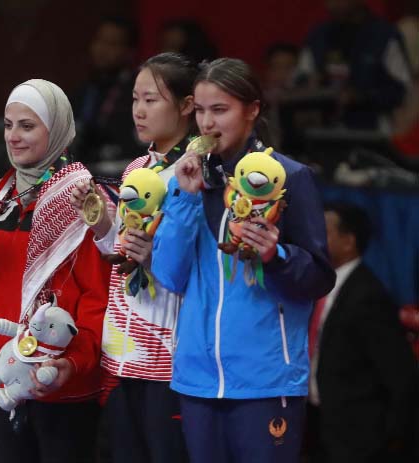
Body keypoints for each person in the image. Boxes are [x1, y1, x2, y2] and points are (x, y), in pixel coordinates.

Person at [151, 57, 336, 463]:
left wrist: (275, 254)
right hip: (198, 379)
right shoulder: (189, 180)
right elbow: (169, 275)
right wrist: (184, 198)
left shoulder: (288, 178)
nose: (206, 123)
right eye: (199, 110)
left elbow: (320, 277)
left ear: (252, 110)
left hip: (265, 380)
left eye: (220, 110)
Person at [0, 79, 111, 463]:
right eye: (8, 125)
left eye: (27, 126)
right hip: (2, 378)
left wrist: (71, 365)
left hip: (61, 384)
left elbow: (97, 297)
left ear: (55, 129)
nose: (14, 137)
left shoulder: (83, 199)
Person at [69, 52, 195, 463]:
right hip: (122, 352)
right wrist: (101, 222)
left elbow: (200, 265)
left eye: (151, 100)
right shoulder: (137, 168)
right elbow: (120, 256)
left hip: (169, 358)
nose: (139, 111)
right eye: (136, 100)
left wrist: (153, 256)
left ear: (187, 105)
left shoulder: (198, 174)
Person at [308, 203, 418, 463]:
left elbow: (400, 375)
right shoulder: (320, 285)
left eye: (324, 231)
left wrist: (387, 438)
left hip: (359, 440)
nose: (314, 238)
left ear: (348, 241)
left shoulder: (368, 296)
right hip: (321, 427)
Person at [294, 0, 413, 130]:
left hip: (372, 132)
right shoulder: (318, 36)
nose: (332, 4)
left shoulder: (384, 36)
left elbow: (403, 91)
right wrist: (310, 85)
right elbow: (299, 80)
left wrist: (361, 97)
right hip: (322, 132)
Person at [72, 17, 143, 167]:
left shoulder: (137, 91)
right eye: (99, 40)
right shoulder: (85, 89)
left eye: (112, 44)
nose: (102, 49)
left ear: (129, 51)